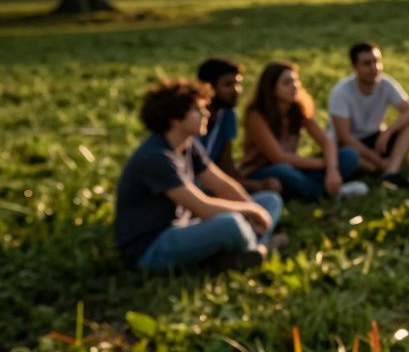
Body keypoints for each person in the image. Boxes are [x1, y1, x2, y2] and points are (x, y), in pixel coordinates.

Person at [115, 78, 284, 272]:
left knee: (270, 200)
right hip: (152, 247)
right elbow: (203, 207)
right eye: (197, 110)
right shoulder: (156, 158)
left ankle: (246, 250)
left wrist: (253, 208)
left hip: (184, 228)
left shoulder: (188, 144)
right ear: (174, 118)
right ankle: (257, 247)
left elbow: (223, 185)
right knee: (230, 223)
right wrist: (251, 212)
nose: (206, 114)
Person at [240, 61, 366, 200]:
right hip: (263, 171)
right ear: (272, 88)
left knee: (350, 155)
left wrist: (332, 169)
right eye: (287, 82)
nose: (294, 86)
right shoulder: (257, 115)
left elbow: (327, 142)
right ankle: (327, 192)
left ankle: (312, 188)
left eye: (296, 81)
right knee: (284, 171)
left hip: (295, 166)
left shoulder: (297, 109)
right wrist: (324, 163)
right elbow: (279, 157)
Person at [328, 42, 409, 189]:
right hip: (350, 145)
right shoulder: (341, 92)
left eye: (376, 61)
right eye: (367, 63)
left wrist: (387, 133)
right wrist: (377, 160)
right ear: (355, 66)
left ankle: (390, 172)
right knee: (351, 158)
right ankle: (380, 167)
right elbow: (344, 137)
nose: (374, 68)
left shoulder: (386, 83)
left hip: (376, 137)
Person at [196, 58, 281, 194]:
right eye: (228, 85)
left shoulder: (227, 115)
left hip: (212, 181)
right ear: (208, 87)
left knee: (270, 195)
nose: (236, 90)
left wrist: (254, 185)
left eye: (238, 83)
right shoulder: (189, 116)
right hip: (190, 183)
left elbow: (226, 165)